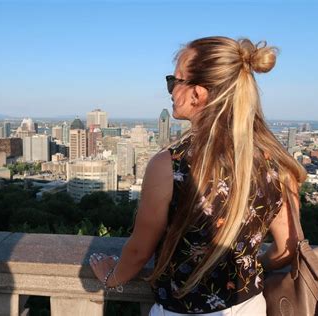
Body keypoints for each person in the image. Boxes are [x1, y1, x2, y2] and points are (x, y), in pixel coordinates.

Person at [89, 36, 306, 315]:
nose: (170, 91)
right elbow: (288, 247)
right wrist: (248, 265)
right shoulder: (275, 160)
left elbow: (139, 251)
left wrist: (112, 277)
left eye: (175, 81)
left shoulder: (171, 165)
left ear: (198, 94)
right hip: (250, 306)